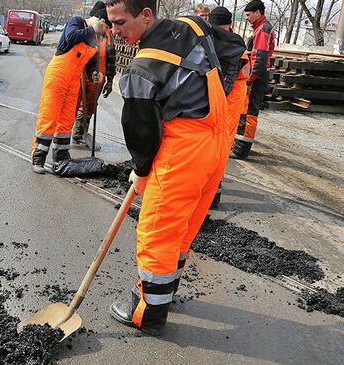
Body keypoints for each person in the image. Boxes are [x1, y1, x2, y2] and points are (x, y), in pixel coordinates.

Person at [106, 0, 242, 335]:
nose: (115, 32)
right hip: (216, 141)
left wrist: (140, 169)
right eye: (111, 24)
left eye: (121, 23)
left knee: (158, 230)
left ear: (146, 15)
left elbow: (142, 131)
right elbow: (236, 48)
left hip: (183, 148)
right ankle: (166, 291)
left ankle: (148, 312)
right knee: (183, 228)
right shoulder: (193, 26)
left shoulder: (143, 67)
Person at [30, 8, 109, 174]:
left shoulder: (96, 38)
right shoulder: (77, 22)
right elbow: (71, 37)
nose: (106, 31)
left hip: (74, 82)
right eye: (106, 26)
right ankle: (38, 158)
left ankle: (61, 157)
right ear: (100, 20)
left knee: (66, 120)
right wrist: (92, 29)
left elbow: (91, 63)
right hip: (58, 76)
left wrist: (95, 74)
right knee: (49, 116)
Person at [208, 6, 249, 208]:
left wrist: (216, 98)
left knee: (221, 144)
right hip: (222, 94)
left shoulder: (234, 43)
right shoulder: (215, 37)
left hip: (230, 97)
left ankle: (214, 193)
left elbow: (229, 79)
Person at [232, 0, 275, 159]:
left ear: (258, 12)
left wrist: (250, 79)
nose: (247, 18)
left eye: (249, 15)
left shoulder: (263, 29)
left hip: (257, 75)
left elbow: (260, 56)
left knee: (248, 111)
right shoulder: (261, 28)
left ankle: (241, 148)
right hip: (259, 74)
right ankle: (239, 144)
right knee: (247, 109)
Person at [71, 5, 117, 150]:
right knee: (71, 106)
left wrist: (110, 81)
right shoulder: (85, 32)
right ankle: (62, 135)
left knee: (89, 107)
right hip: (79, 76)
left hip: (98, 79)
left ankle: (79, 134)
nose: (106, 28)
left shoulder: (109, 38)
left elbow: (111, 60)